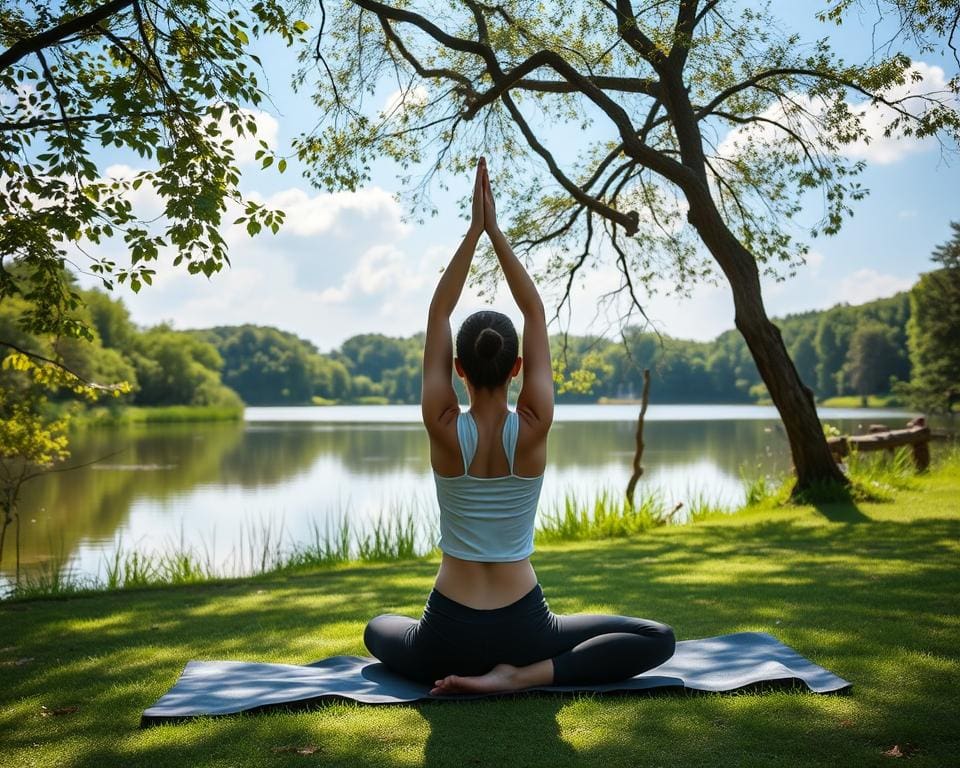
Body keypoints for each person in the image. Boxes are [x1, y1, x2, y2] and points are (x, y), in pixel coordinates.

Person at [363, 157, 675, 696]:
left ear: (457, 369)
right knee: (656, 637)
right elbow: (534, 311)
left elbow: (440, 313)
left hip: (445, 637)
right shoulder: (532, 427)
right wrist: (496, 234)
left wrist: (473, 233)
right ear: (518, 369)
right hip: (526, 628)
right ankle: (522, 678)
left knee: (377, 629)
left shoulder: (442, 426)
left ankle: (497, 674)